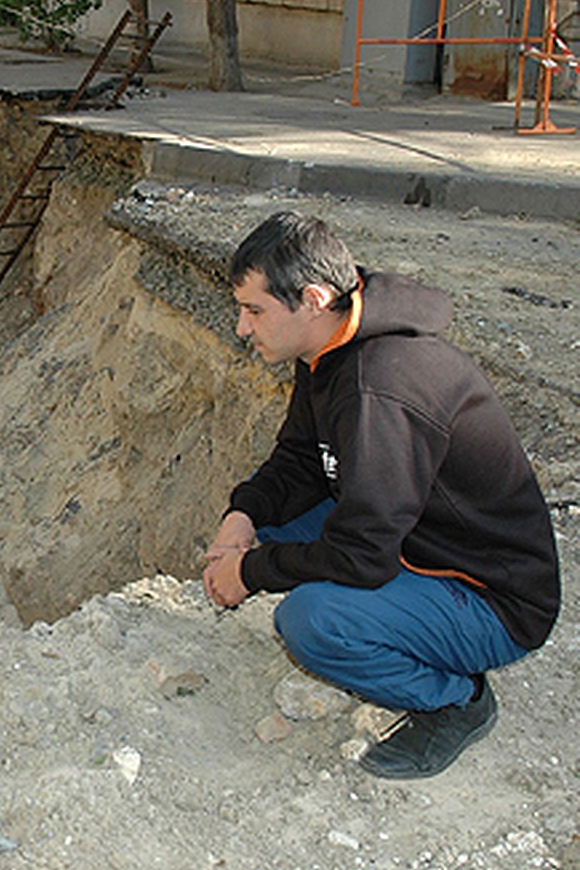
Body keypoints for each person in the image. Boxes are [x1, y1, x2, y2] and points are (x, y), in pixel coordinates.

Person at [203, 211, 559, 779]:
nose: (243, 327)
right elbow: (303, 459)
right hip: (418, 535)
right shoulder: (330, 345)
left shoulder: (380, 386)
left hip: (491, 596)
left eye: (254, 310)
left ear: (313, 298)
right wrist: (244, 514)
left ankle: (454, 700)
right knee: (264, 536)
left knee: (314, 622)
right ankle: (388, 620)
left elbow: (363, 554)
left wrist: (252, 574)